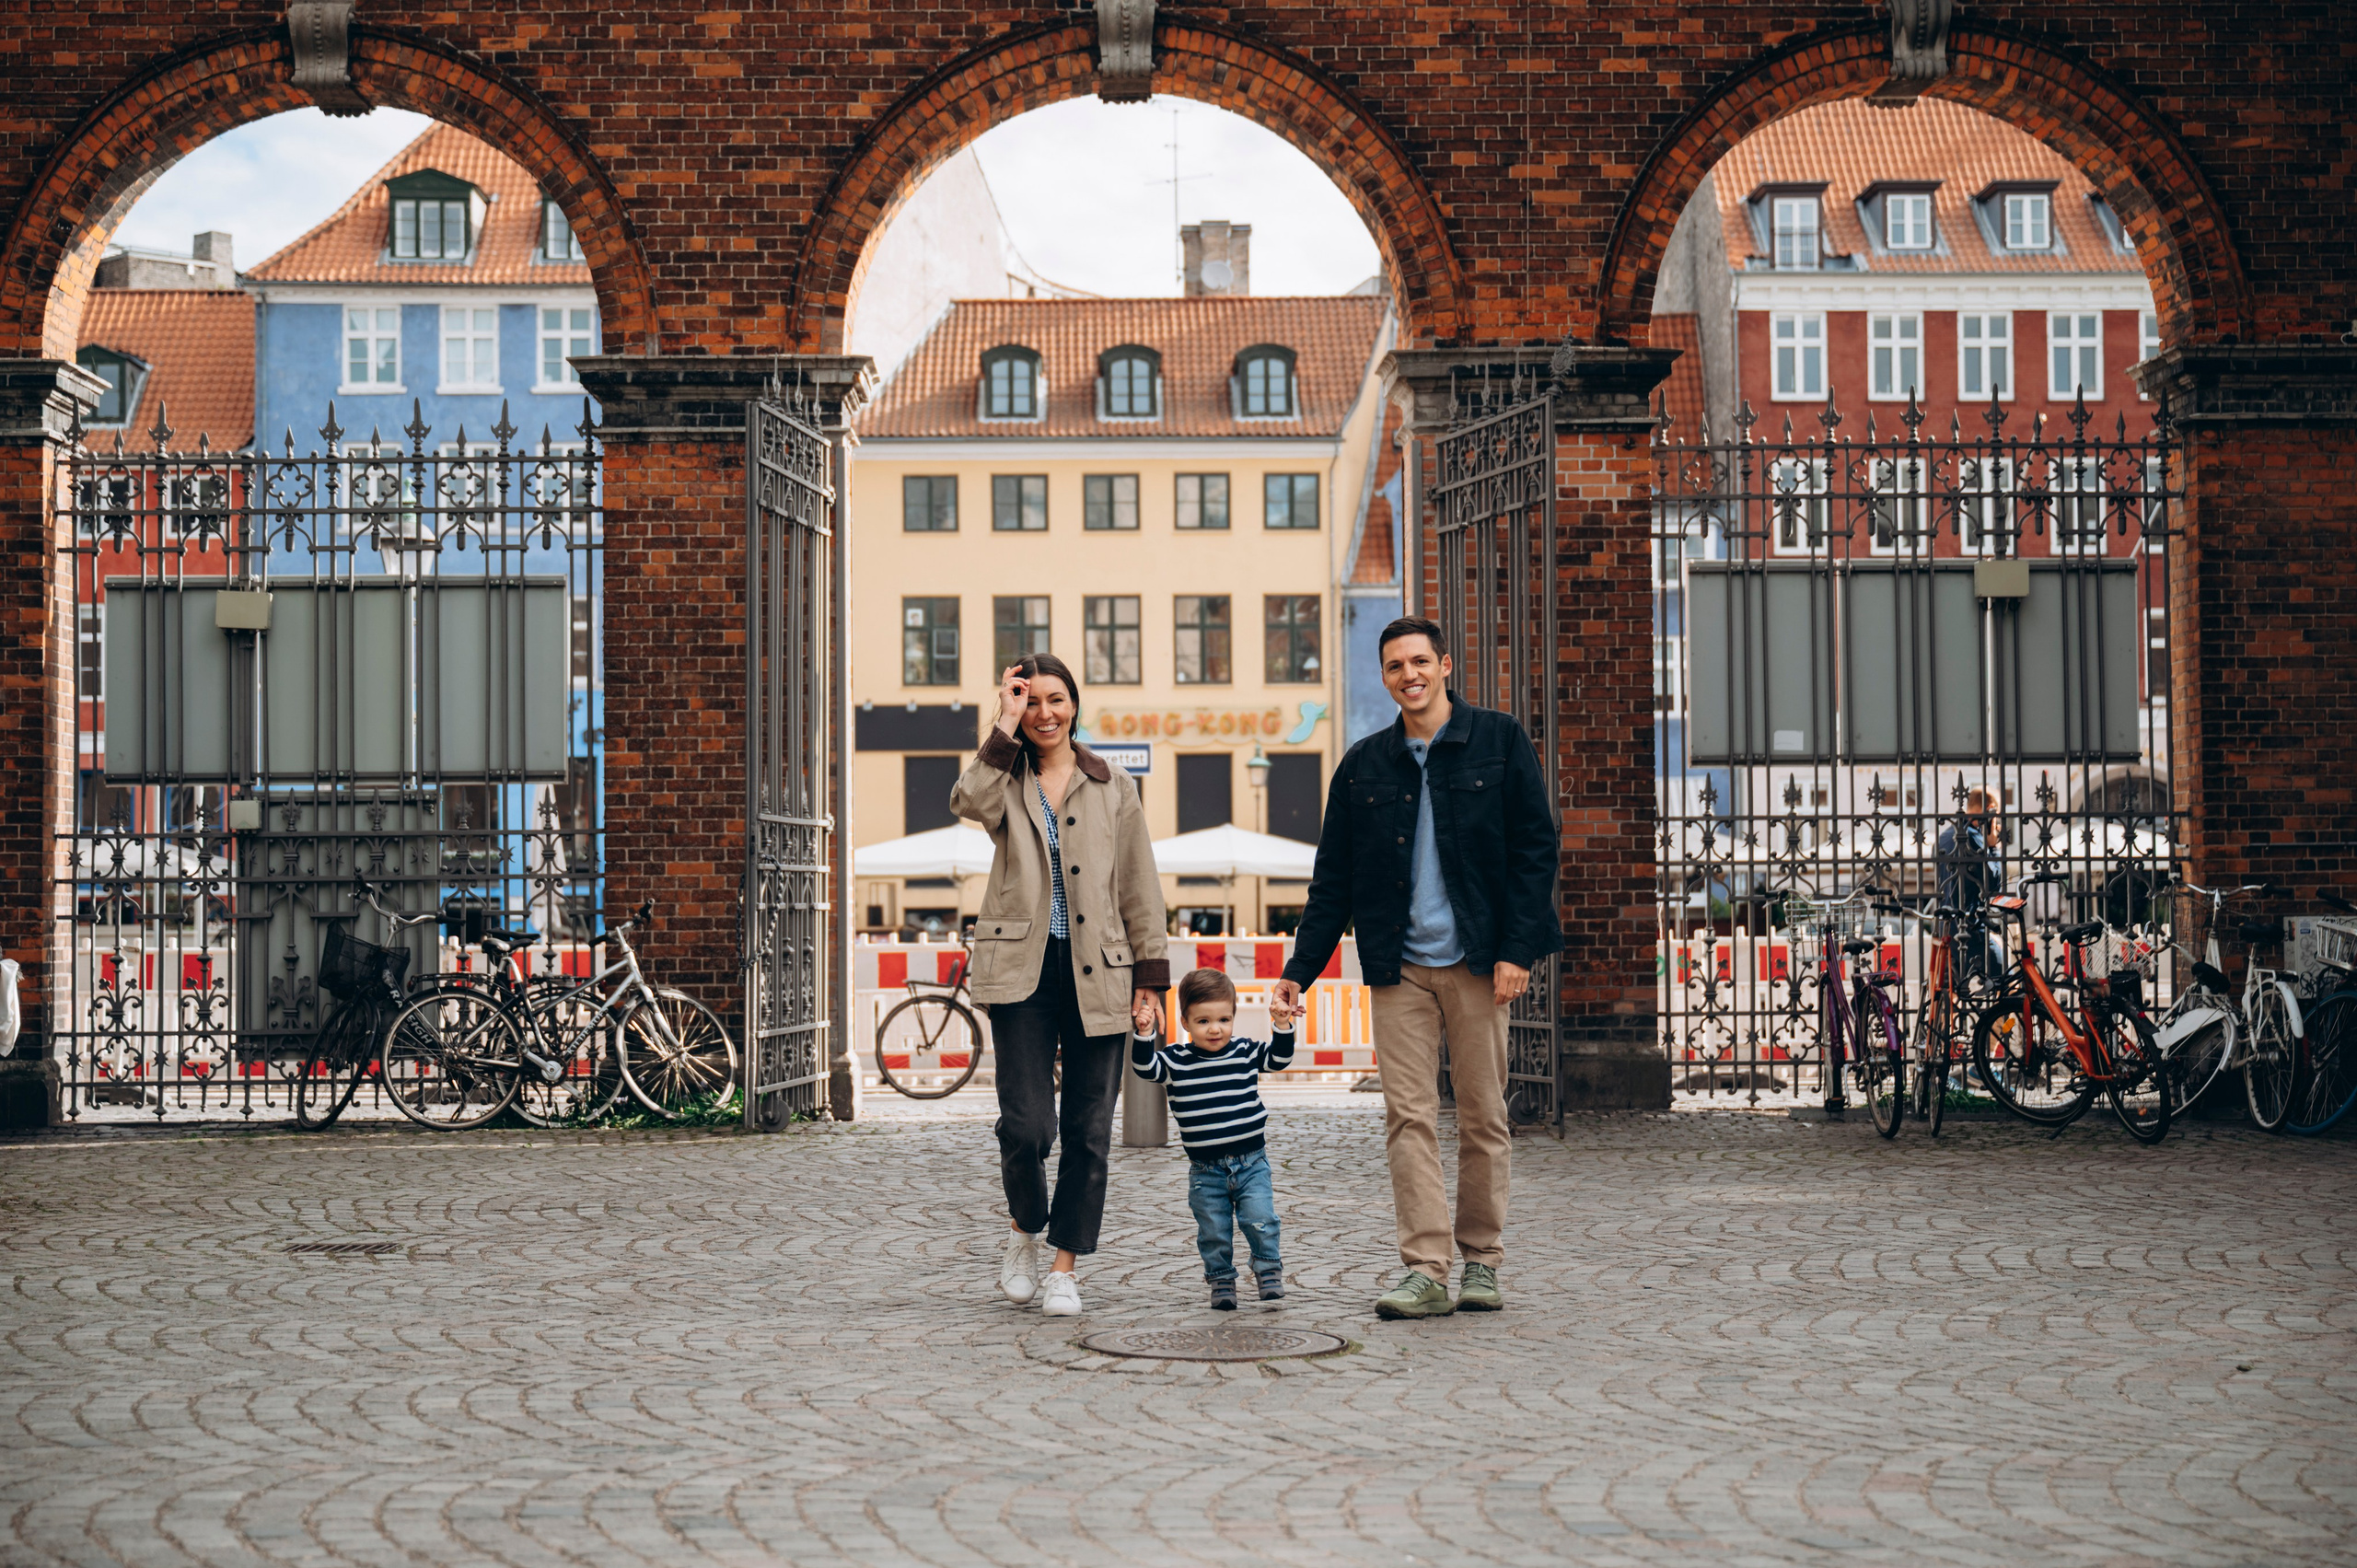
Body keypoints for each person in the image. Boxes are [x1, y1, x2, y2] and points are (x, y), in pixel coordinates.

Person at [1272, 617, 1560, 1319]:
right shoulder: (1363, 764)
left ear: (1445, 665)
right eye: (1396, 665)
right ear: (1384, 677)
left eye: (1420, 661)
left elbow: (1535, 850)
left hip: (1478, 962)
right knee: (1408, 1117)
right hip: (1398, 967)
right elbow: (1332, 881)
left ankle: (1482, 1260)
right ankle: (1426, 1269)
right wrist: (1298, 970)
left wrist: (1517, 950)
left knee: (1483, 1113)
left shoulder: (1499, 740)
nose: (1410, 674)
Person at [952, 655, 1168, 1318]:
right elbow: (967, 801)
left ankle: (1064, 1267)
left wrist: (1151, 977)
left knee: (1088, 1129)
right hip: (1022, 970)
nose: (1044, 713)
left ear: (1075, 704)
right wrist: (1003, 723)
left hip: (1099, 970)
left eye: (1056, 699)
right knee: (1026, 1126)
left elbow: (1138, 882)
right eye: (1031, 701)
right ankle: (1024, 1228)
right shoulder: (1004, 776)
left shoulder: (1113, 785)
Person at [1130, 969, 1298, 1311]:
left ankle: (1268, 1270)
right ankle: (1221, 1280)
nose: (1215, 1029)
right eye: (1203, 1021)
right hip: (1205, 1171)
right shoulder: (1175, 1061)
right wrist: (1145, 1034)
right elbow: (1145, 1069)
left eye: (1224, 1020)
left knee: (1261, 1219)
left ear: (1234, 1018)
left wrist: (1282, 1024)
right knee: (1213, 1231)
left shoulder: (1245, 1051)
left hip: (1252, 1163)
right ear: (1185, 1022)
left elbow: (1278, 1060)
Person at [1936, 787, 2003, 982]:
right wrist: (1993, 847)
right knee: (2005, 982)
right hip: (1970, 927)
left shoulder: (1945, 836)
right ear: (1990, 809)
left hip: (1947, 928)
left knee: (1956, 989)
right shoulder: (1973, 837)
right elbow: (1993, 884)